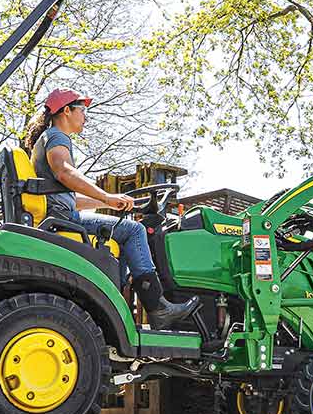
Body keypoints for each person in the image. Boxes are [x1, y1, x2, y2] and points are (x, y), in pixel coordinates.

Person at [23, 88, 199, 330]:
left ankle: (115, 301)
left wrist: (109, 202)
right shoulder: (57, 137)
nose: (85, 116)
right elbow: (65, 172)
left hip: (61, 214)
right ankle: (158, 308)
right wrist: (105, 195)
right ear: (66, 111)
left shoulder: (45, 140)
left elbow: (64, 196)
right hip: (64, 219)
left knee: (124, 234)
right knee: (135, 231)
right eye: (83, 110)